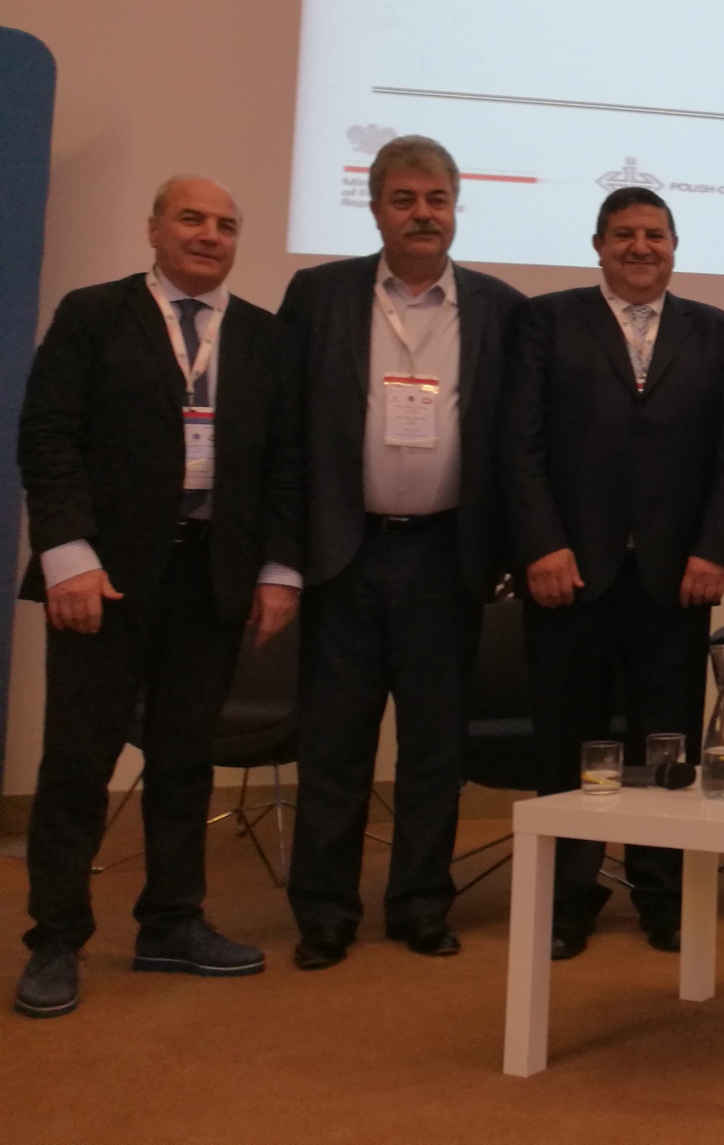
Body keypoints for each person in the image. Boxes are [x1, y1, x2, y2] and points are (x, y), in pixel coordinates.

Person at [14, 177, 302, 1018]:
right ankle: (56, 938)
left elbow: (286, 463)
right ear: (153, 229)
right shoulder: (94, 314)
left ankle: (172, 922)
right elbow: (48, 436)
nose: (210, 235)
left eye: (226, 224)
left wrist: (279, 572)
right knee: (77, 762)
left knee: (184, 759)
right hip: (103, 577)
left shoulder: (265, 338)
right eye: (191, 218)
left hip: (211, 575)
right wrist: (67, 556)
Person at [280, 135, 525, 969]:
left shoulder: (500, 307)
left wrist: (507, 552)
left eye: (437, 199)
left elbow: (516, 444)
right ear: (375, 206)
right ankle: (325, 911)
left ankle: (421, 903)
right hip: (343, 554)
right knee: (335, 744)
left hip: (445, 558)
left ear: (456, 208)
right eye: (405, 199)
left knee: (433, 747)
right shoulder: (320, 295)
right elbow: (286, 432)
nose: (423, 214)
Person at [502, 188, 724, 956]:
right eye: (623, 234)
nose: (640, 247)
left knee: (665, 746)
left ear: (674, 246)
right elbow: (519, 442)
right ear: (598, 245)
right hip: (568, 574)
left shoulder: (718, 333)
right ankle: (565, 898)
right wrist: (540, 545)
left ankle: (664, 893)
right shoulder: (546, 321)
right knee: (568, 743)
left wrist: (715, 549)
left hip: (677, 578)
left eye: (654, 235)